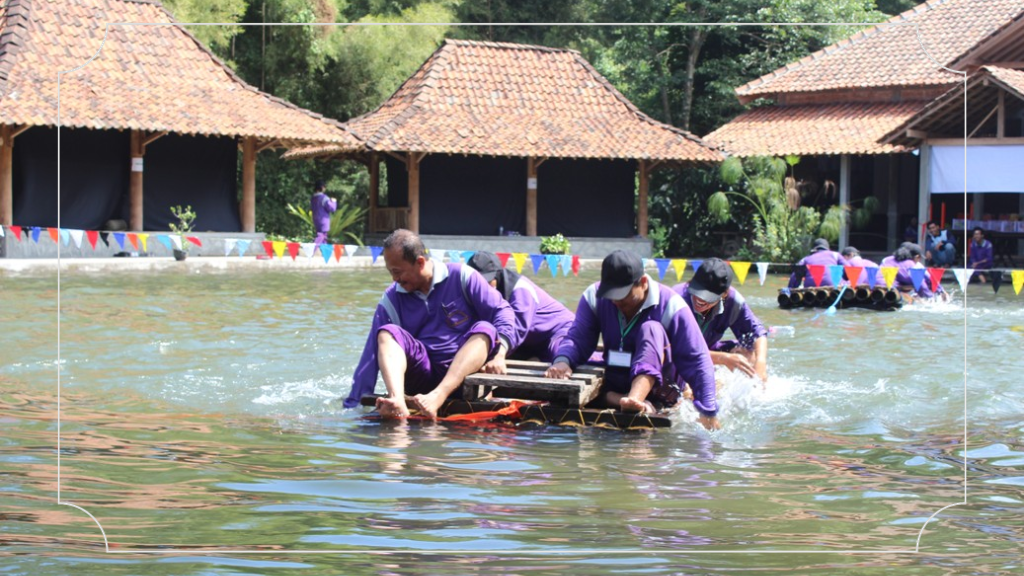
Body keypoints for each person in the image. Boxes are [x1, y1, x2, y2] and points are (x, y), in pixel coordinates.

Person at [344, 229, 516, 419]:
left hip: (463, 375)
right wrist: (354, 406)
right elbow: (371, 354)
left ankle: (438, 396)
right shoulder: (392, 298)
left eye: (397, 271)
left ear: (419, 262)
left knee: (487, 328)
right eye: (391, 272)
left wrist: (500, 354)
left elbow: (503, 311)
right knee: (387, 332)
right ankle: (397, 401)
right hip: (421, 375)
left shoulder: (463, 276)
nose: (394, 279)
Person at [544, 250, 720, 430]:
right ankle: (625, 401)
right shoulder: (594, 296)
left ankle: (635, 399)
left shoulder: (672, 305)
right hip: (616, 382)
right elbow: (577, 338)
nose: (616, 302)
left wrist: (709, 411)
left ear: (643, 283)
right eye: (611, 295)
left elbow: (698, 360)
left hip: (660, 388)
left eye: (622, 296)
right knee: (568, 358)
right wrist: (563, 361)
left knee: (651, 328)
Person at [466, 251, 574, 371]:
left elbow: (516, 329)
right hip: (529, 343)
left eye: (487, 282)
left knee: (559, 352)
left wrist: (499, 355)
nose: (482, 287)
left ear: (498, 275)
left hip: (559, 331)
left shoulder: (521, 291)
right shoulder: (474, 292)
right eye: (478, 283)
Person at [673, 258, 768, 382]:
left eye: (708, 298)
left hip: (706, 351)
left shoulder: (733, 302)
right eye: (697, 293)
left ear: (724, 295)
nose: (700, 301)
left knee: (747, 352)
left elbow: (757, 333)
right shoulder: (675, 300)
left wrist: (761, 363)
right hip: (674, 357)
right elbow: (676, 350)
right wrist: (723, 358)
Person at [310, 180, 337, 246]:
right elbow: (332, 208)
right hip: (323, 220)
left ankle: (324, 253)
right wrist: (333, 202)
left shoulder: (313, 198)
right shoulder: (324, 198)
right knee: (321, 236)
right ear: (322, 187)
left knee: (323, 237)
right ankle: (312, 250)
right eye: (324, 187)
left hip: (315, 219)